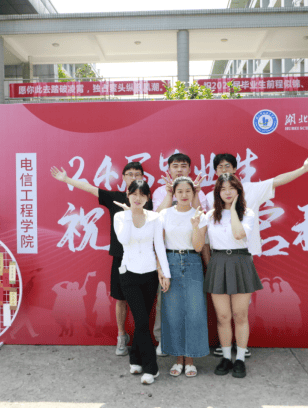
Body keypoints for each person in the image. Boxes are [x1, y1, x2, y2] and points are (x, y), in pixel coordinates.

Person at [206, 153, 308, 357]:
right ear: (215, 171)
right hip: (219, 257)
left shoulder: (251, 189)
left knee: (240, 310)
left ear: (235, 169)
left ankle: (241, 348)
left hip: (244, 255)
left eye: (228, 166)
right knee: (223, 312)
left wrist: (303, 169)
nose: (224, 170)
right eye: (220, 167)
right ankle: (225, 347)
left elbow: (277, 180)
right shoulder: (211, 197)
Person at [50, 162, 153, 356]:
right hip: (121, 258)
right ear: (123, 177)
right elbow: (90, 188)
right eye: (130, 174)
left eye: (137, 174)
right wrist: (66, 179)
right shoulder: (115, 198)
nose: (133, 177)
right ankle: (121, 336)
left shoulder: (148, 199)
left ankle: (142, 339)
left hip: (143, 258)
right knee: (120, 299)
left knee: (144, 301)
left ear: (142, 178)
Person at [193, 173, 260, 379]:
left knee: (240, 315)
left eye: (232, 188)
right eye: (223, 189)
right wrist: (196, 226)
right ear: (217, 192)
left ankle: (239, 359)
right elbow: (198, 245)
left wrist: (232, 210)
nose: (227, 192)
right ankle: (225, 357)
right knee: (223, 316)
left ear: (238, 190)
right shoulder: (210, 215)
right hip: (218, 262)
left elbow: (239, 234)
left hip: (240, 261)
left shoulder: (247, 213)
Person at [113, 180, 171, 385]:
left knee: (143, 320)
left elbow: (159, 246)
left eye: (142, 195)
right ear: (128, 195)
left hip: (149, 274)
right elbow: (124, 240)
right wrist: (130, 215)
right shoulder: (120, 217)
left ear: (147, 198)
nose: (138, 198)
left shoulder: (155, 217)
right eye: (134, 194)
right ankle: (151, 368)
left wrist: (165, 274)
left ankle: (135, 359)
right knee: (142, 320)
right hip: (128, 274)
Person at [151, 152, 208, 356]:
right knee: (167, 304)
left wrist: (196, 193)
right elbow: (157, 219)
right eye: (175, 166)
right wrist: (169, 194)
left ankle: (190, 353)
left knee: (194, 307)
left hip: (192, 254)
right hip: (169, 256)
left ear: (189, 169)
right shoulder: (161, 192)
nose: (179, 169)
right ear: (168, 169)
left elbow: (199, 217)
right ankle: (164, 341)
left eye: (183, 165)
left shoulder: (198, 192)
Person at [159, 177, 209, 378]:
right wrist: (162, 271)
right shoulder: (165, 214)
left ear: (193, 192)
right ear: (174, 193)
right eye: (179, 191)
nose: (184, 195)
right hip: (170, 262)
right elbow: (159, 245)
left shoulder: (199, 215)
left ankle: (190, 359)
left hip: (192, 262)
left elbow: (198, 247)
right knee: (173, 313)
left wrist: (196, 226)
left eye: (188, 191)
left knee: (195, 312)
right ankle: (178, 358)